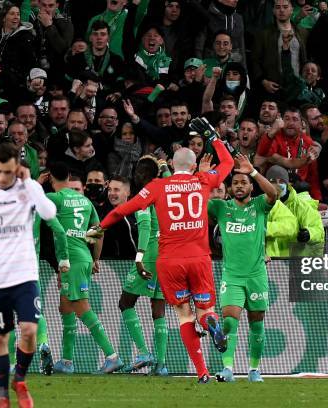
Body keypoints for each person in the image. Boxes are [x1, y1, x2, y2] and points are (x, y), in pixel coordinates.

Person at [88, 117, 235, 383]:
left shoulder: (158, 186)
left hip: (169, 262)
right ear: (192, 165)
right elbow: (228, 164)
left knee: (183, 314)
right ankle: (211, 321)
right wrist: (213, 136)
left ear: (171, 166)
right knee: (205, 310)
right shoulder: (202, 180)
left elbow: (123, 209)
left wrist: (100, 226)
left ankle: (202, 372)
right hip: (199, 258)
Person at [0, 143, 57, 407]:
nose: (2, 178)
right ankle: (3, 394)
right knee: (0, 337)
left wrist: (29, 185)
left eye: (8, 172)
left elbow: (49, 213)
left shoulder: (29, 189)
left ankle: (21, 380)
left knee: (29, 330)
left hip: (25, 274)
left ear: (17, 168)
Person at [47, 163, 123, 375]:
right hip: (82, 257)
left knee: (80, 306)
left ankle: (111, 356)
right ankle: (67, 361)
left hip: (72, 260)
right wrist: (95, 259)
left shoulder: (56, 198)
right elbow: (98, 232)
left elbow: (32, 201)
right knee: (65, 306)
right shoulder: (86, 201)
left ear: (52, 179)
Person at [209, 154, 277, 382]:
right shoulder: (220, 207)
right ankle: (227, 369)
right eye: (235, 183)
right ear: (229, 188)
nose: (239, 186)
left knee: (256, 322)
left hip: (257, 274)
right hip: (232, 275)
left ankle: (254, 370)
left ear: (250, 187)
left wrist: (254, 172)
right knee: (229, 320)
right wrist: (205, 177)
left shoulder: (259, 205)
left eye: (243, 183)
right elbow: (196, 201)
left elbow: (273, 193)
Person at [118, 157, 170, 376]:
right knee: (158, 309)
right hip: (168, 255)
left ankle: (143, 353)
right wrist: (166, 168)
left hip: (149, 254)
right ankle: (161, 364)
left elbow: (146, 225)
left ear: (140, 174)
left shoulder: (145, 194)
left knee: (125, 303)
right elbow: (172, 181)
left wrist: (139, 259)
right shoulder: (167, 189)